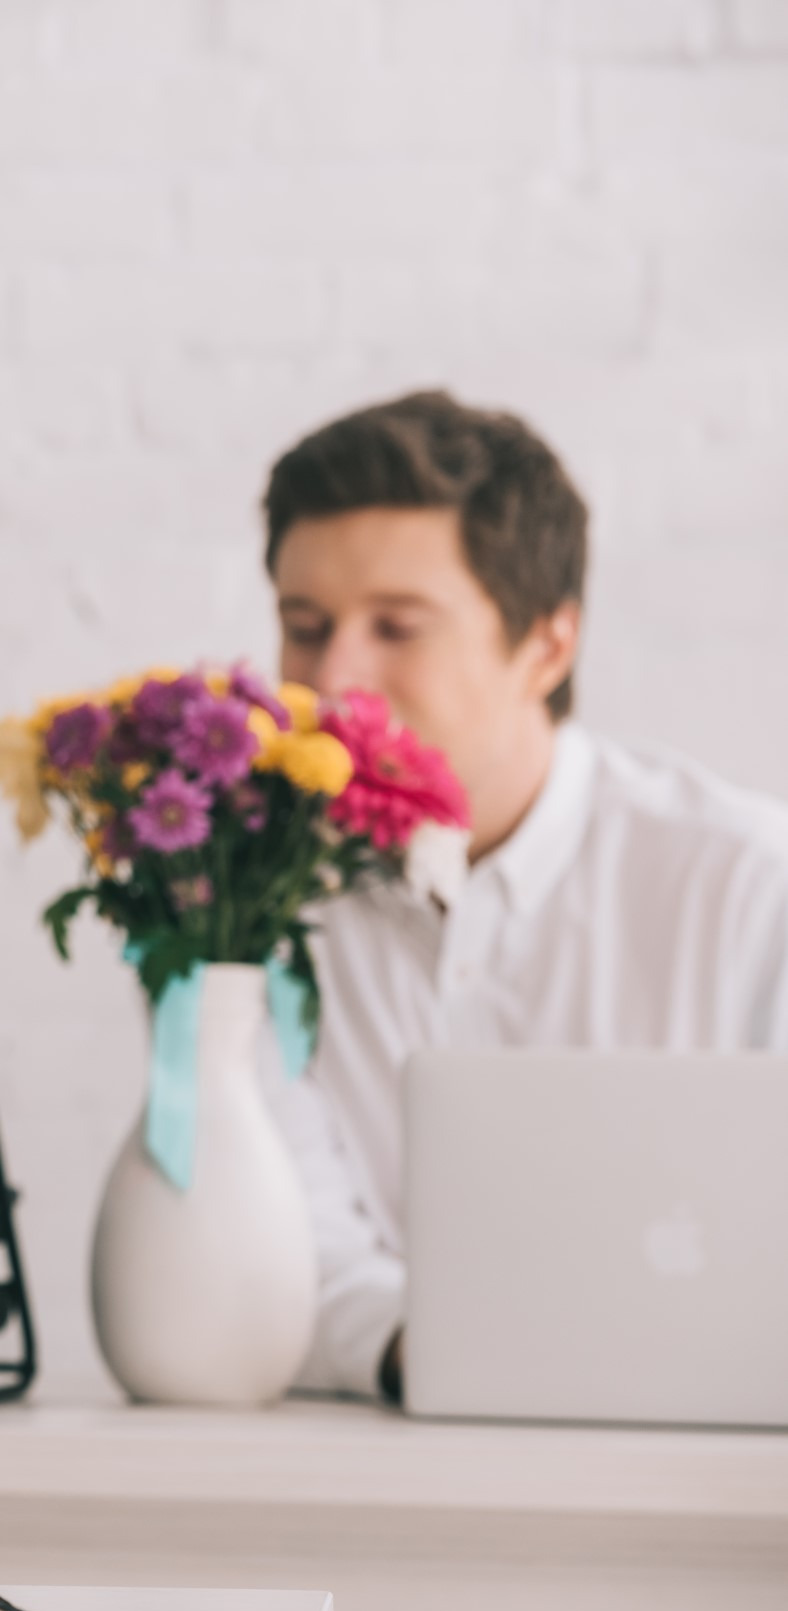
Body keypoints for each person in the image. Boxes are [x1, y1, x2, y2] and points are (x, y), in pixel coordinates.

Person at [260, 389, 788, 1403]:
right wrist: (436, 1349)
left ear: (546, 644)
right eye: (305, 625)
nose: (335, 680)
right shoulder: (248, 902)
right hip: (365, 1462)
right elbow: (284, 1253)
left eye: (394, 628)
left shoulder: (745, 887)